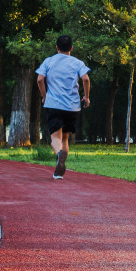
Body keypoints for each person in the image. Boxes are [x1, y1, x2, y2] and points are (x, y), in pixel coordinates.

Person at [36, 35, 90, 179]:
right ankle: (58, 173)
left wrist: (44, 96)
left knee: (55, 137)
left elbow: (40, 79)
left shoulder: (49, 61)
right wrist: (86, 96)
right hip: (72, 106)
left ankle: (59, 154)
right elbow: (85, 78)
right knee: (65, 138)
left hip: (54, 104)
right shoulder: (78, 63)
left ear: (57, 48)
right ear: (71, 48)